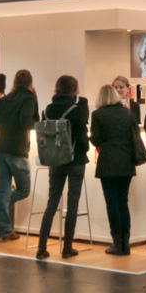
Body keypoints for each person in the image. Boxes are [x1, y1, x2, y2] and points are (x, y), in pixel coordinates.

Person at [35, 75, 90, 260]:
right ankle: (67, 247)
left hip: (55, 161)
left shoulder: (47, 110)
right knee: (72, 205)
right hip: (75, 161)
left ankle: (41, 247)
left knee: (52, 203)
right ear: (74, 90)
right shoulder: (76, 110)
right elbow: (83, 139)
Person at [0, 69, 38, 241]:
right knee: (23, 190)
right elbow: (26, 121)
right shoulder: (30, 98)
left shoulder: (6, 99)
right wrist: (39, 124)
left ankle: (5, 230)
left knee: (4, 192)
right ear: (30, 84)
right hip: (17, 149)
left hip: (1, 149)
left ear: (14, 83)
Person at [90, 84, 138, 256]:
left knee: (112, 204)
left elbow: (95, 140)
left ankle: (117, 243)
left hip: (108, 164)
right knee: (123, 202)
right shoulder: (127, 112)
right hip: (126, 162)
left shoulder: (97, 114)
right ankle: (126, 244)